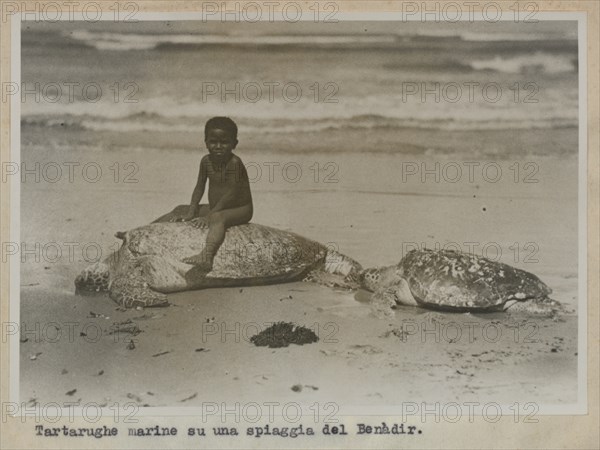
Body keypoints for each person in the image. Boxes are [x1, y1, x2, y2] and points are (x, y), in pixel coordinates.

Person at [153, 117, 253, 272]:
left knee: (217, 218)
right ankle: (145, 230)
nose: (218, 146)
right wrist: (192, 210)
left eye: (224, 142)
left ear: (235, 144)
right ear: (205, 142)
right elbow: (199, 187)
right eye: (213, 142)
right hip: (216, 207)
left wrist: (210, 215)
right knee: (180, 209)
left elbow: (231, 194)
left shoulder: (235, 163)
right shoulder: (206, 161)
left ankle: (207, 256)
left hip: (239, 209)